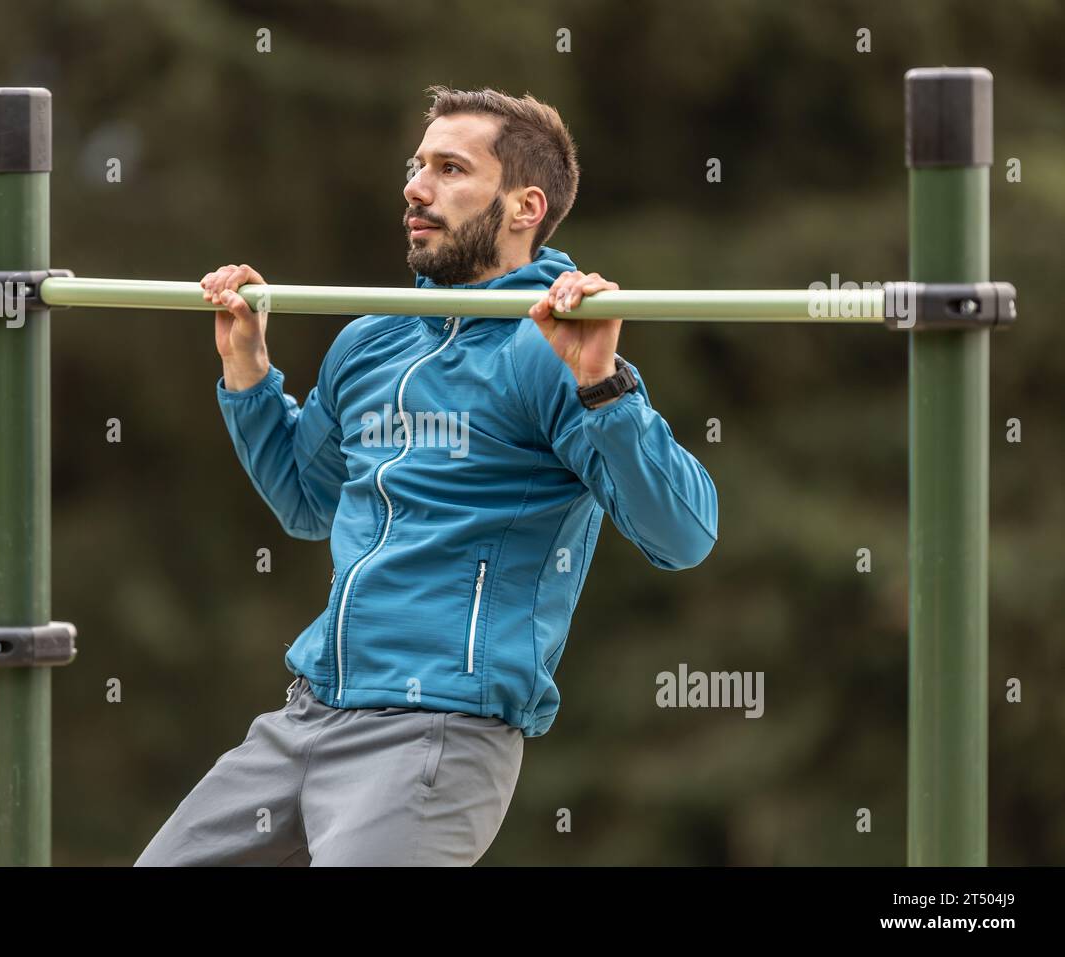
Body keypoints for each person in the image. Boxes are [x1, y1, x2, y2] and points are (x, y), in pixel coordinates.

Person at [135, 86, 718, 867]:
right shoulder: (369, 340)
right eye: (417, 166)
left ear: (524, 207)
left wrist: (604, 384)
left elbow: (685, 533)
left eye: (449, 168)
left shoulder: (552, 352)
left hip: (436, 733)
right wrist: (249, 376)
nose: (415, 186)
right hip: (305, 717)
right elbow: (310, 504)